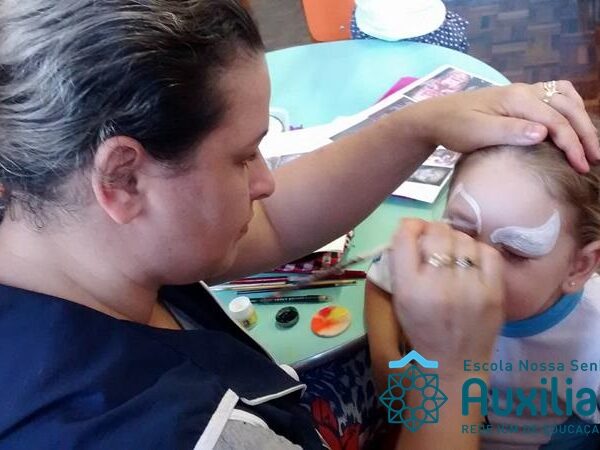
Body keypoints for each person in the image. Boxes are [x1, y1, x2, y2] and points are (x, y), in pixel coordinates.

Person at [0, 1, 597, 449]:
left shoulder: (57, 221)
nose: (266, 181)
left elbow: (271, 220)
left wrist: (421, 124)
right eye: (243, 157)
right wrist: (451, 374)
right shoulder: (177, 432)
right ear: (123, 178)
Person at [366, 129, 600, 449]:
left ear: (579, 266)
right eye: (461, 231)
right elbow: (384, 273)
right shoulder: (434, 258)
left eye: (515, 252)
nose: (476, 260)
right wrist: (386, 360)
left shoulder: (592, 341)